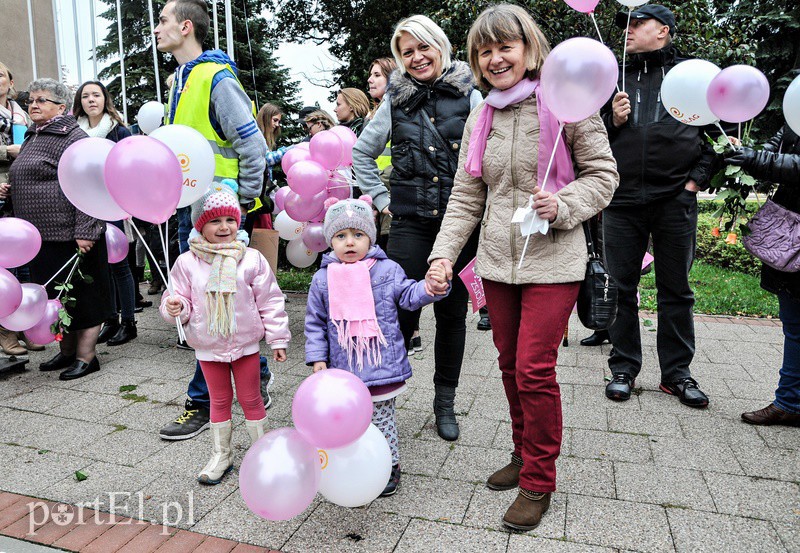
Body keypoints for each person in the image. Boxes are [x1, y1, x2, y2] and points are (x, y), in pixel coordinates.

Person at [426, 4, 617, 530]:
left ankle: (539, 479)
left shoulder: (569, 105)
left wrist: (565, 204)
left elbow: (604, 175)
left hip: (555, 261)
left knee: (535, 369)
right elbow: (467, 197)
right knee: (510, 367)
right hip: (496, 262)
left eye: (504, 47)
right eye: (484, 51)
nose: (494, 58)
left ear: (530, 50)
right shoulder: (480, 114)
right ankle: (522, 452)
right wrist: (443, 255)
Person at [352, 14, 483, 442]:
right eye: (406, 52)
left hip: (459, 226)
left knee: (451, 315)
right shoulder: (394, 102)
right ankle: (383, 396)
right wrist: (385, 201)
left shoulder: (473, 98)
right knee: (397, 308)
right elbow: (361, 155)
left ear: (440, 46)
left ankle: (444, 403)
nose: (417, 57)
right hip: (409, 224)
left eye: (423, 47)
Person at [154, 0, 270, 441]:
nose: (157, 28)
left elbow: (252, 146)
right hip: (193, 213)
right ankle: (254, 379)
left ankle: (203, 403)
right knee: (223, 306)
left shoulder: (216, 79)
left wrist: (237, 207)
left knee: (212, 308)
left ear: (186, 27)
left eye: (163, 21)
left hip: (219, 217)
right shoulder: (180, 81)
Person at [600, 4, 717, 407]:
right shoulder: (611, 77)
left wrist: (693, 183)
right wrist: (611, 120)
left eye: (637, 23)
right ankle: (624, 368)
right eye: (626, 25)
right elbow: (585, 138)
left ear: (663, 30)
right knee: (620, 288)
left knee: (676, 291)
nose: (628, 31)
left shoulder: (692, 76)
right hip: (621, 200)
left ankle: (677, 375)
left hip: (674, 200)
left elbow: (716, 138)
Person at [305, 196, 449, 496]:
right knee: (349, 422)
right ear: (330, 240)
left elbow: (409, 296)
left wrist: (429, 288)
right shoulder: (322, 279)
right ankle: (356, 465)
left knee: (382, 421)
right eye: (341, 235)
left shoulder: (387, 270)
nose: (350, 242)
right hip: (343, 369)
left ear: (370, 237)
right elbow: (315, 322)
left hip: (381, 365)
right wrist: (317, 358)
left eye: (358, 235)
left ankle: (389, 465)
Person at [161, 182, 290, 484]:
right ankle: (222, 455)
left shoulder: (251, 259)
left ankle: (263, 454)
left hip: (245, 343)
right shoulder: (187, 263)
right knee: (218, 401)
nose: (224, 227)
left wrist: (278, 338)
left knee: (251, 398)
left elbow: (270, 300)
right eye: (214, 221)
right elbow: (179, 301)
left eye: (230, 219)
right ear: (200, 226)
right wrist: (175, 308)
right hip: (208, 345)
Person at [5, 78, 114, 380]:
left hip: (71, 234)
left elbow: (91, 185)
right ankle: (66, 352)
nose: (33, 105)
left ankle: (86, 356)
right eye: (31, 101)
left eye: (41, 100)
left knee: (84, 298)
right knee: (55, 298)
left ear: (61, 107)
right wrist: (10, 190)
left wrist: (87, 230)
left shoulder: (73, 137)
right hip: (40, 236)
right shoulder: (33, 136)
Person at [726, 126, 800, 427]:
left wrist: (754, 158)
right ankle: (790, 402)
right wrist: (744, 148)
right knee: (794, 322)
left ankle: (789, 401)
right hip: (791, 227)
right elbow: (775, 146)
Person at [72, 81, 138, 347]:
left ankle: (129, 323)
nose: (91, 100)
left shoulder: (118, 130)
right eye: (85, 96)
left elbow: (129, 166)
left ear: (104, 99)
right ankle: (110, 320)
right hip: (85, 204)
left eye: (96, 95)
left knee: (119, 263)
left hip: (113, 203)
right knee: (100, 265)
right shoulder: (73, 131)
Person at [0, 61, 36, 356]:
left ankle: (26, 324)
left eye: (0, 74)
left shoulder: (22, 113)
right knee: (4, 266)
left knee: (25, 263)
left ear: (10, 82)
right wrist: (5, 151)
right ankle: (6, 332)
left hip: (20, 194)